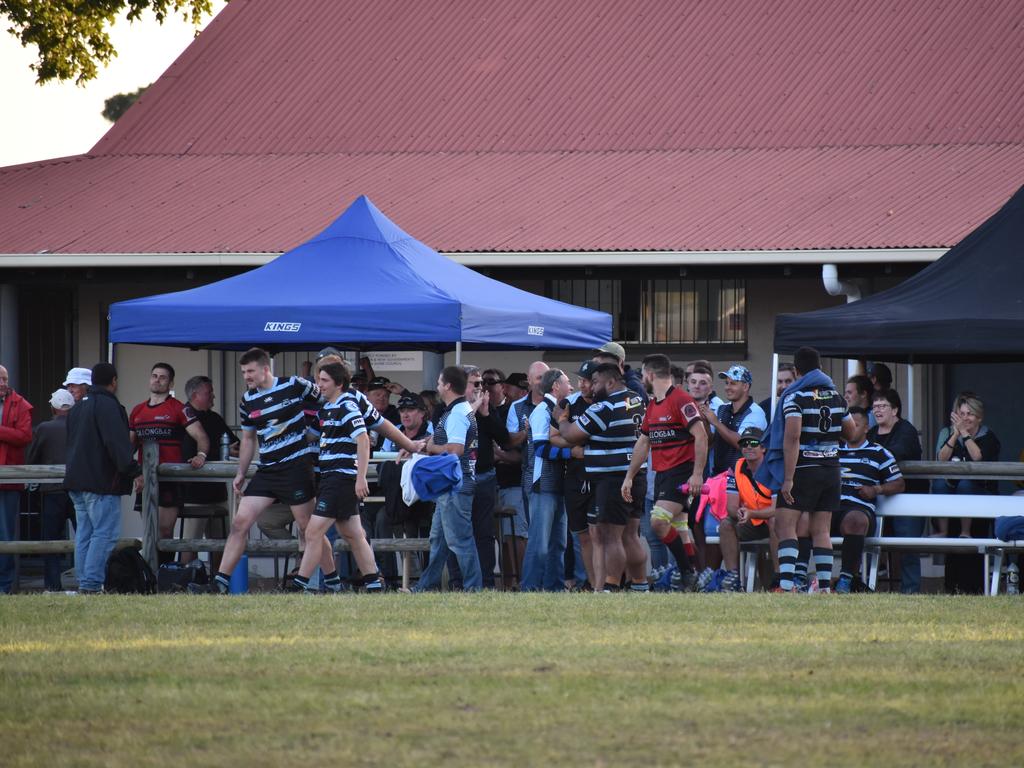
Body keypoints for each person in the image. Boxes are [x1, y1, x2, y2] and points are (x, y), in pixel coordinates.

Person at [190, 348, 337, 594]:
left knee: (308, 528)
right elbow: (248, 440)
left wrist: (315, 432)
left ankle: (331, 580)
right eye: (243, 372)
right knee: (240, 523)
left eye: (250, 371)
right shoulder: (248, 400)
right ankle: (220, 583)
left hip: (297, 468)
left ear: (265, 368)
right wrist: (240, 473)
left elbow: (331, 402)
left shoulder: (294, 384)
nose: (246, 376)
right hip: (267, 470)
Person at [758, 346, 854, 593]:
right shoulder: (837, 397)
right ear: (820, 367)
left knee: (784, 525)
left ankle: (787, 585)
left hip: (803, 468)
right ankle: (824, 587)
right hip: (832, 469)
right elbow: (851, 432)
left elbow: (791, 437)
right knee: (821, 529)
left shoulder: (794, 398)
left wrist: (788, 478)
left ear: (797, 371)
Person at [290, 361, 383, 592]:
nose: (318, 385)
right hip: (333, 478)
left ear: (339, 383)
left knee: (312, 531)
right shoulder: (326, 408)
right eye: (318, 380)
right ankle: (373, 583)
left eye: (324, 381)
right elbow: (308, 437)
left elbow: (363, 440)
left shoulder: (347, 406)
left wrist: (361, 478)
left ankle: (300, 585)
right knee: (353, 534)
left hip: (340, 479)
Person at [557, 364, 648, 592]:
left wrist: (561, 419)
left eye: (596, 382)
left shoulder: (605, 407)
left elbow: (570, 435)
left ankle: (611, 585)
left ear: (610, 382)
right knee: (630, 535)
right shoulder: (636, 399)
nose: (592, 387)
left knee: (610, 535)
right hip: (636, 474)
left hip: (612, 478)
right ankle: (640, 583)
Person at [623, 354, 706, 590]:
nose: (641, 378)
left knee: (659, 523)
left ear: (649, 375)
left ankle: (687, 571)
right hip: (661, 474)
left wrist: (697, 474)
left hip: (682, 472)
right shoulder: (653, 405)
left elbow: (701, 436)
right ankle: (693, 578)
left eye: (642, 374)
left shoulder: (681, 400)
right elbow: (643, 443)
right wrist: (629, 477)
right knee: (680, 528)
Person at [64, 363, 135, 594]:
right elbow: (116, 444)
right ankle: (92, 583)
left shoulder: (76, 409)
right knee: (105, 533)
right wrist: (133, 469)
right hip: (101, 481)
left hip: (76, 480)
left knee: (84, 533)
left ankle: (84, 581)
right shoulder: (107, 405)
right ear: (113, 381)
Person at [129, 362, 210, 564]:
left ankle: (165, 574)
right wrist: (129, 471)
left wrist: (201, 455)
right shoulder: (137, 411)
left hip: (169, 480)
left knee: (165, 531)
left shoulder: (179, 409)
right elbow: (128, 446)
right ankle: (150, 577)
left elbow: (201, 436)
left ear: (171, 382)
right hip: (145, 480)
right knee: (150, 530)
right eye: (154, 376)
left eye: (163, 377)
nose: (157, 380)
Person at [412, 366, 482, 592]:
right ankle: (424, 588)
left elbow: (454, 450)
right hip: (451, 486)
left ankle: (473, 589)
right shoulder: (456, 411)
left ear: (448, 386)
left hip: (456, 486)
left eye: (440, 382)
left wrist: (431, 447)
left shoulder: (458, 414)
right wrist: (420, 445)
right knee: (439, 542)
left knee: (460, 541)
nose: (438, 386)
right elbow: (445, 438)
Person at [833, 406, 904, 593]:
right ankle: (801, 579)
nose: (849, 429)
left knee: (855, 520)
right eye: (846, 425)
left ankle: (846, 580)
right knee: (803, 518)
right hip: (830, 506)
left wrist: (876, 489)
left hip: (859, 509)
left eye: (855, 425)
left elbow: (898, 483)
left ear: (866, 428)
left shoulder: (879, 453)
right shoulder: (832, 451)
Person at [868, 388, 925, 593]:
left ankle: (910, 591)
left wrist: (872, 459)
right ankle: (867, 586)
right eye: (875, 407)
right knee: (868, 543)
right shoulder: (872, 433)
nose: (878, 410)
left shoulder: (906, 430)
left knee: (908, 546)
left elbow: (897, 452)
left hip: (907, 499)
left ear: (895, 410)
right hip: (879, 498)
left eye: (883, 406)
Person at [180, 375, 240, 567]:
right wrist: (219, 450)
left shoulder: (214, 418)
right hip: (192, 493)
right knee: (190, 543)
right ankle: (182, 580)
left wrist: (221, 450)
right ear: (195, 395)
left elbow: (235, 447)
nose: (213, 396)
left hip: (217, 491)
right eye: (209, 392)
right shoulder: (182, 416)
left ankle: (218, 580)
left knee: (222, 541)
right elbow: (188, 454)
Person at [521, 368, 572, 591]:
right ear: (555, 387)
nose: (571, 387)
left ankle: (555, 588)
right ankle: (530, 587)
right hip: (542, 485)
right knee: (540, 543)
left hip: (558, 485)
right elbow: (541, 449)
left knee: (558, 544)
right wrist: (572, 453)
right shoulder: (543, 410)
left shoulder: (558, 409)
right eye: (567, 382)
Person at [459, 366, 508, 589]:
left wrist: (486, 414)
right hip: (459, 478)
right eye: (476, 383)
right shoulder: (451, 407)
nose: (482, 388)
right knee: (459, 534)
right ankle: (458, 583)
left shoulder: (487, 409)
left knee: (484, 533)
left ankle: (486, 583)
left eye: (483, 383)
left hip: (485, 477)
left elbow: (504, 438)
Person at [26, 389, 76, 591]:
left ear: (53, 407)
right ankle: (88, 581)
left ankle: (52, 586)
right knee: (84, 536)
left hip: (51, 491)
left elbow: (32, 458)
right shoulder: (78, 426)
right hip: (77, 488)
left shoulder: (44, 428)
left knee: (50, 540)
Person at [715, 427, 775, 592]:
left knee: (776, 522)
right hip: (750, 521)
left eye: (754, 443)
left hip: (772, 520)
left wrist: (752, 513)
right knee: (726, 524)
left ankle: (779, 581)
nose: (748, 447)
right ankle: (733, 578)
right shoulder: (736, 468)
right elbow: (731, 507)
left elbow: (778, 509)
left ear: (763, 447)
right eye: (744, 443)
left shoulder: (774, 467)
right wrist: (739, 513)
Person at [932, 392, 1000, 538]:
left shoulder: (988, 436)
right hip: (954, 486)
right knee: (939, 484)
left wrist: (963, 432)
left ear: (979, 418)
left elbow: (977, 457)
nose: (965, 418)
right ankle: (942, 531)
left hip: (982, 488)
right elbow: (941, 459)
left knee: (965, 485)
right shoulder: (952, 433)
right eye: (961, 414)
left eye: (970, 414)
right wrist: (955, 435)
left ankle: (965, 532)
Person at [562, 360, 597, 589]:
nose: (582, 385)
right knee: (582, 535)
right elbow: (554, 437)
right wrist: (571, 449)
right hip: (575, 478)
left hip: (601, 478)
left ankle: (610, 582)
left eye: (587, 381)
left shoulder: (607, 405)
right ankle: (593, 584)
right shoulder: (569, 404)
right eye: (580, 380)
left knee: (602, 535)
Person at [0, 363, 33, 594]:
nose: (3, 384)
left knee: (6, 533)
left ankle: (4, 586)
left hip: (8, 478)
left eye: (5, 379)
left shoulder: (20, 404)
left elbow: (24, 435)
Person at [704, 364, 767, 476]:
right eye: (727, 383)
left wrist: (716, 423)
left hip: (743, 476)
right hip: (717, 475)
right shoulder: (722, 408)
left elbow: (742, 443)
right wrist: (704, 422)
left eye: (733, 383)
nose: (727, 387)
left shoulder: (755, 412)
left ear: (745, 386)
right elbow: (711, 441)